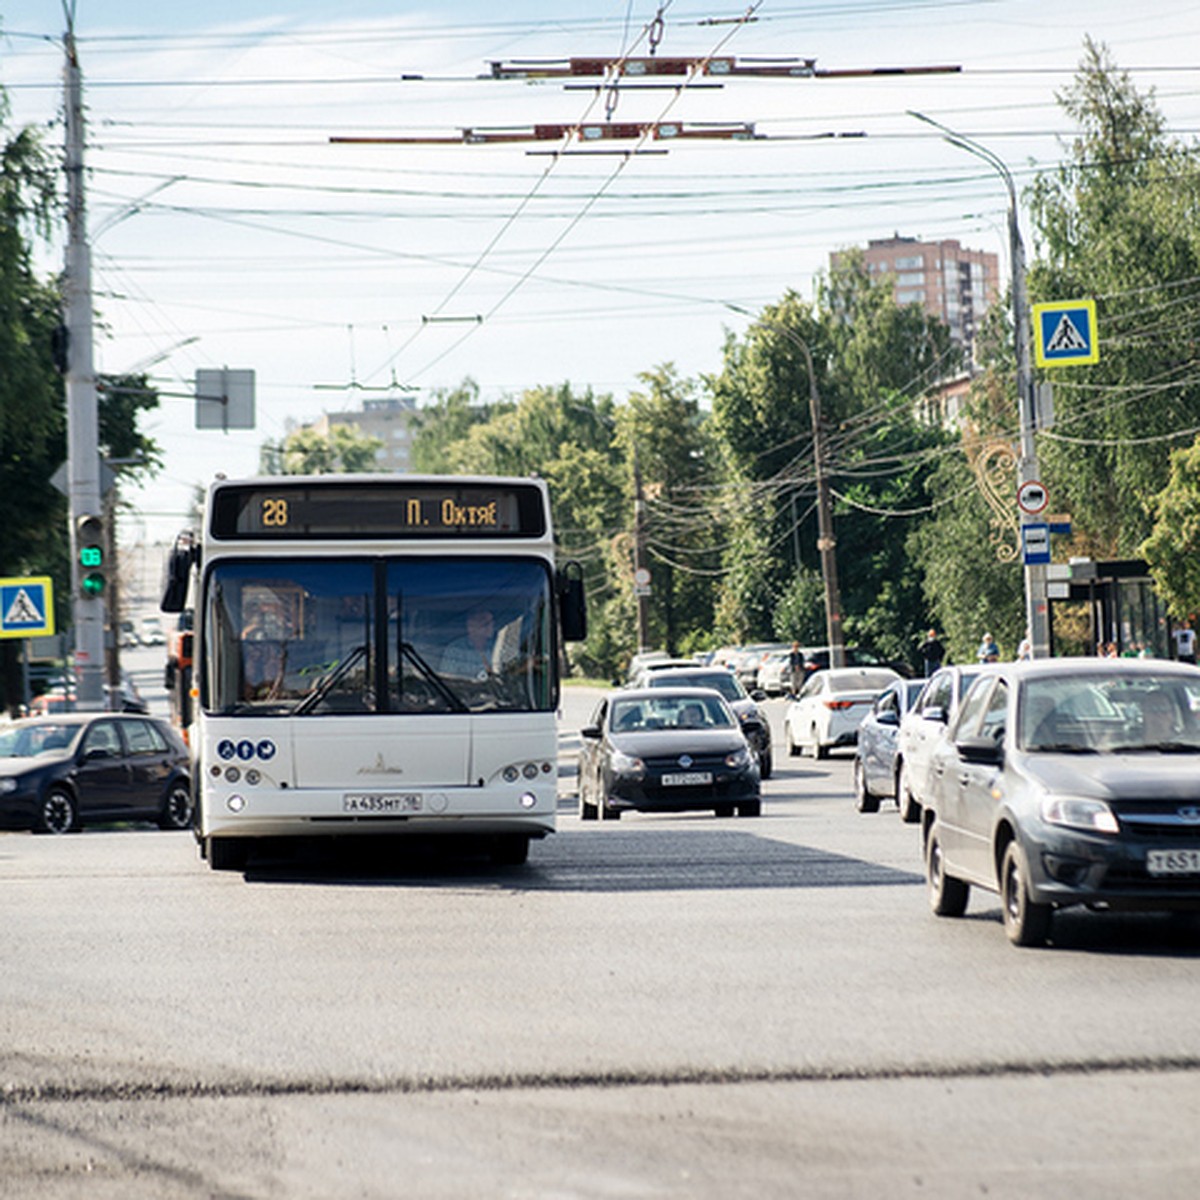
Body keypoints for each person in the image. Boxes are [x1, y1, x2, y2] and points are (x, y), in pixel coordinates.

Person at [440, 606, 500, 681]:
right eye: (485, 623)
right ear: (470, 625)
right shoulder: (455, 649)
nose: (490, 627)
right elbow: (447, 680)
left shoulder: (499, 644)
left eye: (491, 622)